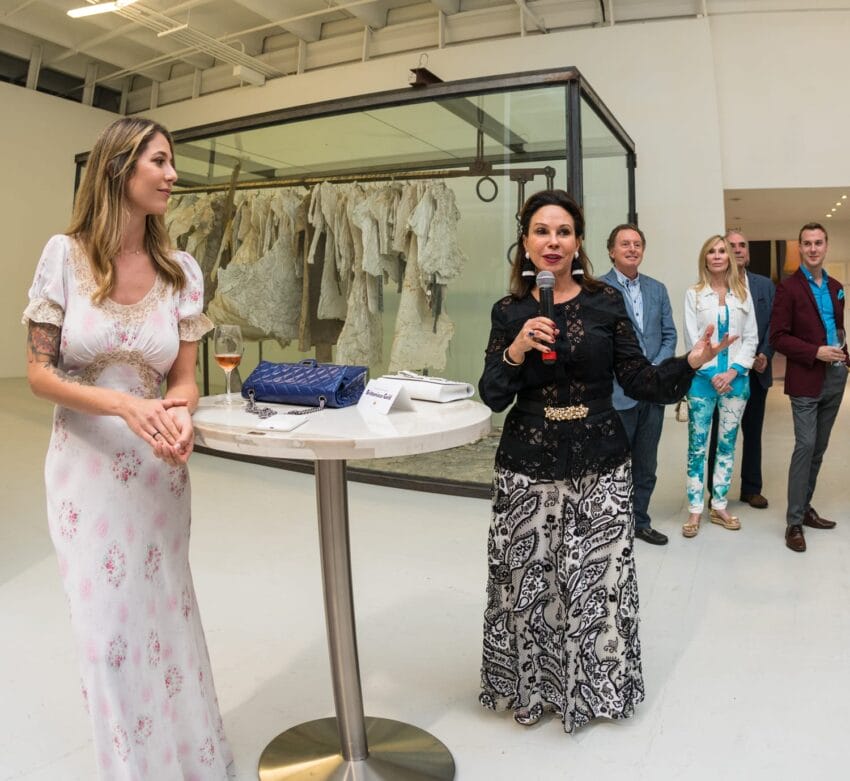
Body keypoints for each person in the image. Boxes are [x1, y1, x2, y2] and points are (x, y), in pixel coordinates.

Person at [23, 118, 234, 778]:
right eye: (161, 161)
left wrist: (180, 416)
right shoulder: (64, 256)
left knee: (167, 621)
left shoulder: (183, 273)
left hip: (156, 477)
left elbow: (182, 378)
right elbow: (40, 373)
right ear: (119, 168)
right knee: (106, 639)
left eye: (172, 163)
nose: (173, 175)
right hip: (85, 472)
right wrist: (122, 404)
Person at [477, 190, 732, 732]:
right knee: (530, 583)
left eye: (563, 231)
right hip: (528, 467)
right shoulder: (510, 311)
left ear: (578, 243)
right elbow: (494, 395)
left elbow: (639, 380)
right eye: (542, 231)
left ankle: (592, 692)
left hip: (600, 462)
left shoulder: (605, 303)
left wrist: (691, 361)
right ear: (525, 242)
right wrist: (517, 347)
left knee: (597, 585)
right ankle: (534, 690)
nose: (553, 241)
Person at [770, 222, 846, 553]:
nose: (813, 248)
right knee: (805, 445)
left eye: (818, 243)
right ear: (799, 248)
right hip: (806, 377)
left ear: (826, 246)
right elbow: (778, 337)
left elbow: (837, 329)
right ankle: (794, 522)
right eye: (807, 243)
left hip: (836, 377)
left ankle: (806, 507)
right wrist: (815, 352)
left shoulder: (837, 287)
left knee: (819, 448)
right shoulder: (788, 288)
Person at [602, 224, 677, 545]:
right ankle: (611, 525)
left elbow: (669, 334)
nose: (632, 249)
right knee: (614, 463)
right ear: (611, 251)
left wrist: (652, 370)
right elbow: (599, 342)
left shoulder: (657, 289)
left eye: (637, 244)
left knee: (647, 462)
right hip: (617, 393)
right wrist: (630, 371)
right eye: (625, 244)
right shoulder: (596, 289)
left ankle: (640, 521)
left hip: (652, 391)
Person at [682, 235, 758, 538]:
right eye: (711, 252)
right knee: (696, 448)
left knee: (727, 445)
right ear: (705, 258)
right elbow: (692, 339)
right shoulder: (694, 294)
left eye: (721, 251)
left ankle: (720, 505)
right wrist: (713, 371)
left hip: (736, 383)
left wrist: (734, 370)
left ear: (729, 257)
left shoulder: (743, 293)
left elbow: (751, 336)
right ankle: (695, 509)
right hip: (703, 382)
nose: (717, 256)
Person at [707, 230, 775, 508]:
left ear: (748, 251)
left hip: (756, 373)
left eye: (742, 245)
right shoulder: (712, 286)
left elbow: (774, 324)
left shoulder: (764, 285)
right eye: (730, 246)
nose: (737, 250)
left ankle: (751, 488)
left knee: (753, 432)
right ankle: (715, 491)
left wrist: (764, 355)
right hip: (722, 375)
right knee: (718, 433)